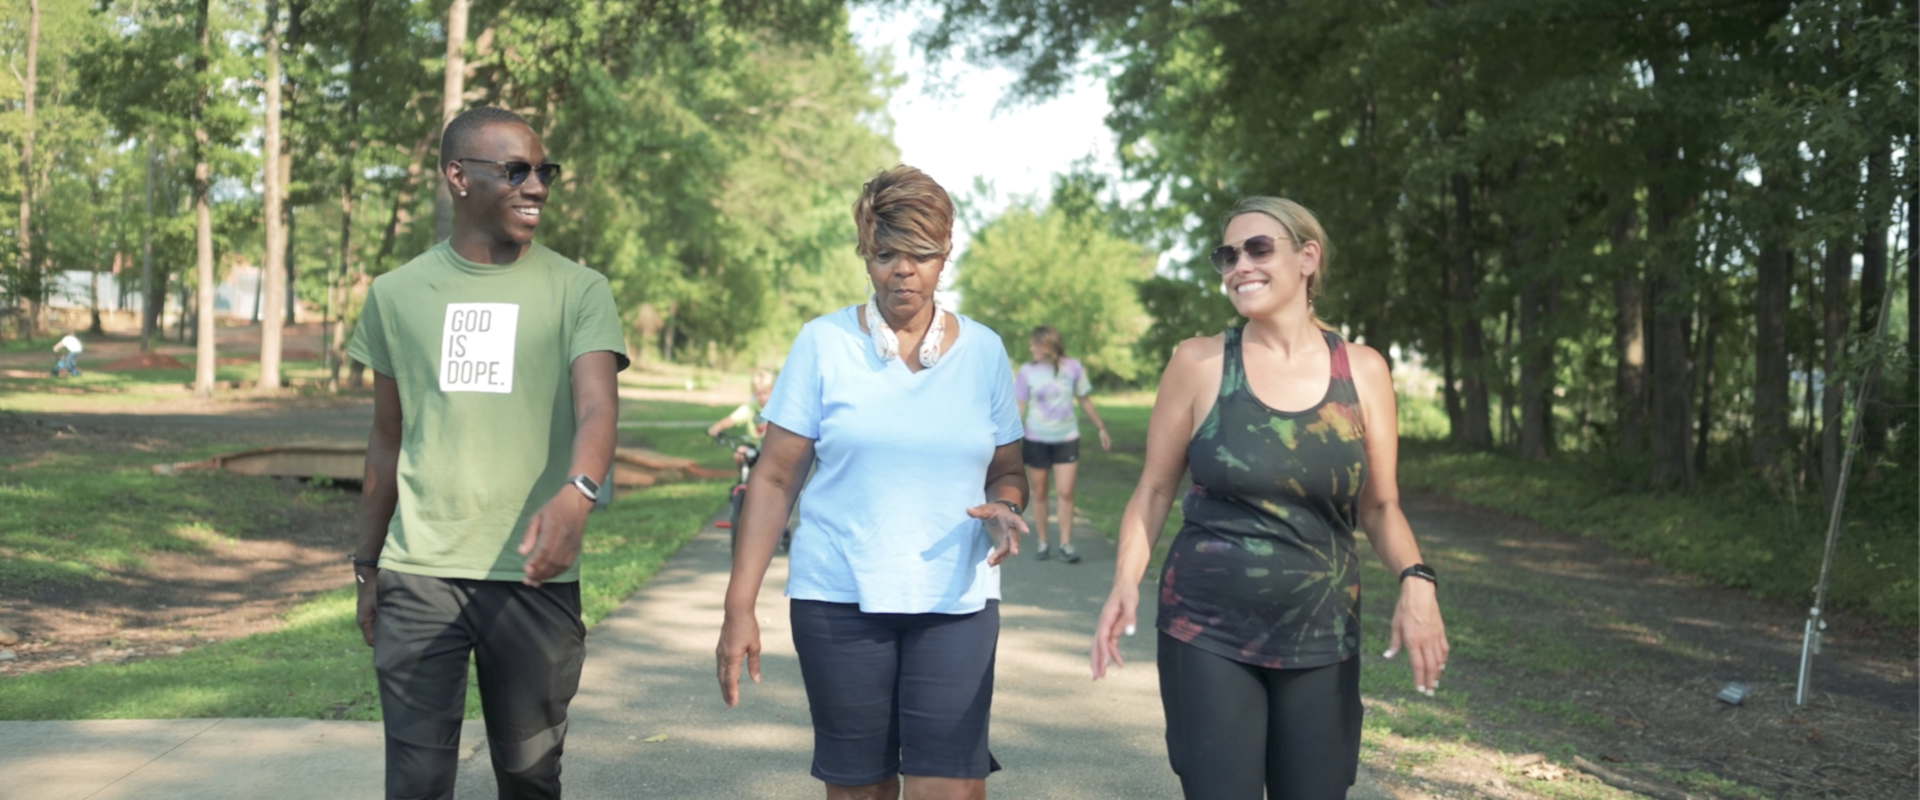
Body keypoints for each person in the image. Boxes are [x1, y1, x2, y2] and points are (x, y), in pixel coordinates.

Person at [1089, 197, 1448, 800]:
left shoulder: (1362, 371)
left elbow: (1381, 507)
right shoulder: (1200, 362)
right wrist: (1125, 581)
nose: (1239, 266)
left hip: (1323, 634)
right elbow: (1153, 489)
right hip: (1207, 629)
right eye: (1227, 255)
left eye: (1257, 248)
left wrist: (1417, 579)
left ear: (1308, 258)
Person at [716, 165, 1030, 800]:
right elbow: (773, 480)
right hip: (839, 601)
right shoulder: (822, 343)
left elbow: (1008, 468)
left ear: (946, 253)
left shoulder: (985, 352)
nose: (903, 271)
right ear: (866, 255)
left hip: (957, 607)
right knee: (860, 790)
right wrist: (738, 606)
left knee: (950, 790)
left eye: (921, 254)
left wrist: (1004, 504)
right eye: (886, 255)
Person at [347, 106, 628, 800]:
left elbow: (598, 408)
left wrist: (578, 494)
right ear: (458, 177)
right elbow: (387, 439)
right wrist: (366, 566)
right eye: (515, 171)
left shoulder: (579, 290)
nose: (536, 187)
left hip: (533, 577)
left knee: (531, 777)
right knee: (416, 783)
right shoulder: (395, 295)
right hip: (420, 575)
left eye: (543, 172)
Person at [1014, 325, 1110, 564]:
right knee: (1039, 493)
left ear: (1048, 345)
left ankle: (1066, 544)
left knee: (1065, 493)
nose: (1031, 348)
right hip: (1035, 439)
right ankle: (1043, 542)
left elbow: (1084, 400)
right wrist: (1010, 437)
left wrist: (1100, 427)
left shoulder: (1073, 368)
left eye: (1035, 344)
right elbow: (1020, 406)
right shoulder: (1026, 371)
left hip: (1066, 439)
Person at [706, 368, 777, 467]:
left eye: (765, 393)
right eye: (758, 394)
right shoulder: (750, 408)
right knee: (739, 453)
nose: (762, 397)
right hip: (753, 445)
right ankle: (743, 475)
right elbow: (732, 419)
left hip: (771, 447)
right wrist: (717, 427)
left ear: (773, 391)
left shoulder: (777, 409)